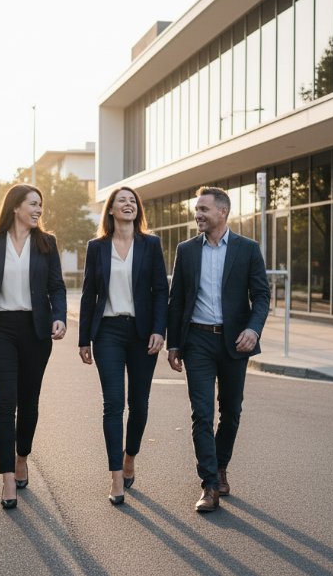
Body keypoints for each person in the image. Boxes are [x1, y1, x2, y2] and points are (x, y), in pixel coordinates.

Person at [166, 186, 270, 513]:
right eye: (196, 209)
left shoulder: (248, 249)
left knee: (232, 411)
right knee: (202, 412)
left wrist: (253, 329)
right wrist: (174, 344)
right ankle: (209, 484)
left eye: (203, 209)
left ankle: (221, 465)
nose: (198, 214)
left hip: (234, 341)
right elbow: (177, 300)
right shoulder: (186, 250)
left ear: (222, 212)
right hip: (197, 339)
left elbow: (262, 296)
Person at [0, 183, 66, 509]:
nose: (38, 210)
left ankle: (22, 454)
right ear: (15, 207)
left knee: (29, 402)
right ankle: (8, 476)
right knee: (4, 403)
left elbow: (57, 287)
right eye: (33, 204)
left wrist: (60, 317)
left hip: (35, 330)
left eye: (41, 205)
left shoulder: (46, 243)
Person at [78, 186, 167, 506]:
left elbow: (161, 291)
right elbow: (89, 294)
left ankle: (131, 456)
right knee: (113, 403)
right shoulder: (97, 247)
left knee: (139, 405)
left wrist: (160, 329)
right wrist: (83, 338)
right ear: (111, 211)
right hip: (108, 333)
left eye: (132, 201)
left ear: (137, 209)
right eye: (121, 202)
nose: (128, 205)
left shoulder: (151, 244)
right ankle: (116, 475)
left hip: (143, 334)